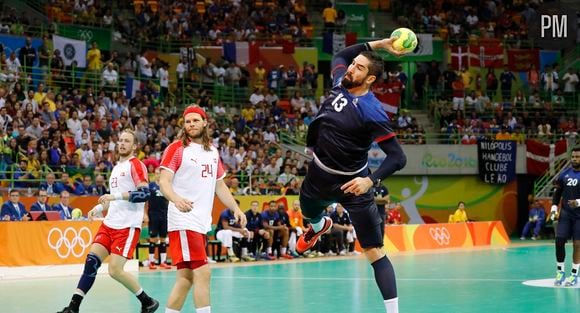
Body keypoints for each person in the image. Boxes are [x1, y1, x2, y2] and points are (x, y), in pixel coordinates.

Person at [296, 38, 407, 313]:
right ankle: (319, 225)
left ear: (369, 79)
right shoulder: (338, 84)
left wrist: (370, 180)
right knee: (307, 210)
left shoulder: (373, 111)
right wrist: (382, 44)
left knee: (374, 252)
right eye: (353, 65)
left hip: (354, 184)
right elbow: (341, 53)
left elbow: (398, 157)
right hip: (319, 175)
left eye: (358, 68)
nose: (351, 69)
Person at [57, 129, 159, 313]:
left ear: (134, 146)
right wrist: (97, 209)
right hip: (109, 223)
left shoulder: (135, 165)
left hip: (126, 227)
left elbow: (144, 194)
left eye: (127, 141)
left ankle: (147, 301)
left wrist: (114, 197)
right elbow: (113, 199)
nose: (122, 143)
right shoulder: (116, 168)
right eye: (120, 140)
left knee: (114, 270)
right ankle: (73, 308)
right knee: (91, 262)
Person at [158, 105, 246, 313]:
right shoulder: (177, 148)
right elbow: (164, 182)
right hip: (183, 219)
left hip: (200, 223)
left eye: (195, 120)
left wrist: (236, 209)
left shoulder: (212, 152)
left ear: (205, 122)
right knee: (203, 272)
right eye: (187, 121)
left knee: (186, 278)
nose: (191, 125)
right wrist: (176, 199)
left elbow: (220, 185)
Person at [550, 147, 580, 287]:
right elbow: (557, 193)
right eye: (573, 156)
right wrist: (554, 208)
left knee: (577, 244)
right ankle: (560, 272)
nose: (574, 159)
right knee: (559, 241)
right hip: (566, 215)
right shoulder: (564, 174)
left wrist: (578, 202)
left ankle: (574, 274)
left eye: (577, 157)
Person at [147, 168, 171, 269]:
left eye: (160, 173)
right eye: (157, 173)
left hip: (164, 215)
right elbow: (146, 201)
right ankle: (151, 262)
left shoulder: (166, 186)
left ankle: (163, 261)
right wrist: (145, 215)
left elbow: (170, 199)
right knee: (153, 238)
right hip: (153, 215)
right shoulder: (151, 186)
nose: (158, 175)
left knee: (163, 239)